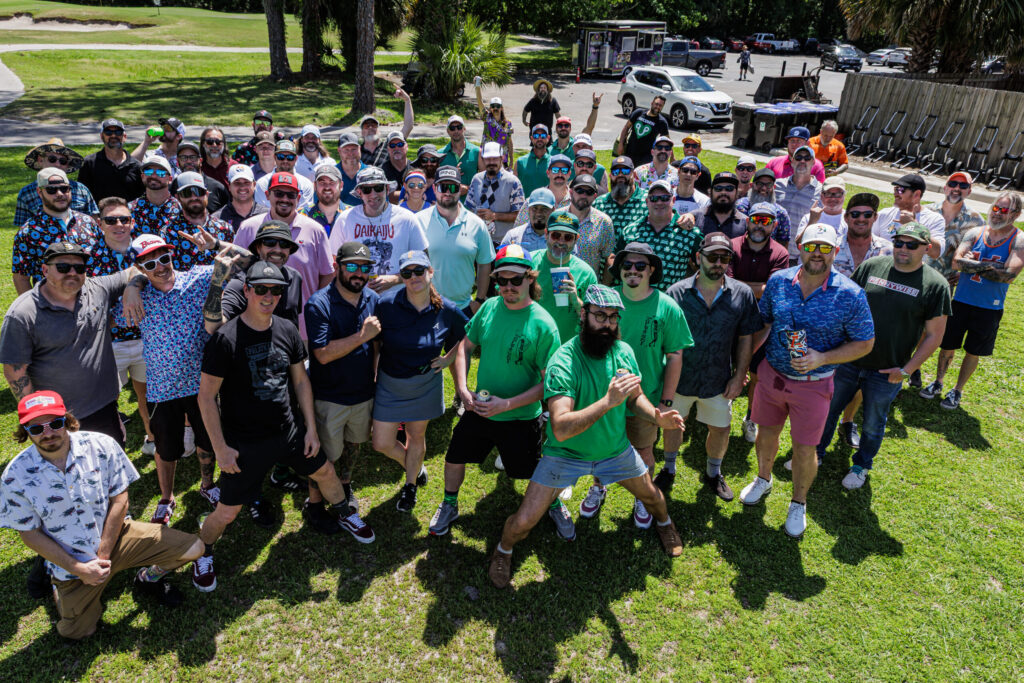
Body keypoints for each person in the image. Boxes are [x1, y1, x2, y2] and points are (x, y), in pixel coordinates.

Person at [487, 285, 685, 588]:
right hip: (565, 455)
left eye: (613, 318)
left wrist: (656, 416)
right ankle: (503, 549)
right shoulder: (562, 361)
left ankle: (665, 524)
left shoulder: (624, 352)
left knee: (653, 497)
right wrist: (607, 401)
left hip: (615, 451)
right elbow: (562, 428)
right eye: (600, 316)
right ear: (584, 314)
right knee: (524, 522)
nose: (606, 324)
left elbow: (634, 398)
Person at [193, 260, 374, 591]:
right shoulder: (225, 339)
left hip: (289, 433)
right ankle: (201, 551)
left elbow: (302, 382)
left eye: (275, 290)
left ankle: (344, 512)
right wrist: (220, 448)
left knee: (326, 473)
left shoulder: (288, 329)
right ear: (246, 290)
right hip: (244, 443)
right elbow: (206, 398)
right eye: (260, 289)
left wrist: (311, 430)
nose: (268, 296)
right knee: (227, 513)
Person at [0, 390, 204, 639]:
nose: (48, 433)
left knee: (194, 548)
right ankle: (57, 584)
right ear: (25, 432)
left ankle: (147, 578)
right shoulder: (14, 476)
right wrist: (80, 569)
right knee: (78, 633)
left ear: (66, 420)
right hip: (72, 562)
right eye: (36, 429)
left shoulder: (101, 445)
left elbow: (120, 499)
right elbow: (29, 533)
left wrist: (103, 555)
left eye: (55, 423)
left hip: (118, 538)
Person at [740, 223, 875, 539]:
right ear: (800, 247)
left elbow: (865, 342)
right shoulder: (779, 282)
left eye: (825, 248)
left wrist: (823, 358)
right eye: (812, 246)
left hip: (814, 383)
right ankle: (763, 478)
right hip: (773, 376)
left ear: (835, 252)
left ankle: (798, 502)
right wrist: (743, 365)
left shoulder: (851, 294)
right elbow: (764, 322)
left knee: (804, 448)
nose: (817, 253)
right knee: (766, 433)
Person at [113, 234, 250, 524]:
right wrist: (132, 286)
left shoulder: (199, 277)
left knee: (207, 441)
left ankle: (208, 485)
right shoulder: (138, 296)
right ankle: (166, 497)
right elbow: (114, 318)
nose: (161, 267)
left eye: (164, 258)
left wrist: (216, 251)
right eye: (150, 263)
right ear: (139, 267)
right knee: (165, 448)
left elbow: (249, 261)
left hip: (203, 386)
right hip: (162, 389)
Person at [431, 244, 561, 536]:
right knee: (454, 456)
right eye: (502, 280)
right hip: (480, 408)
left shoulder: (544, 324)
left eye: (516, 279)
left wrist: (508, 405)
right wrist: (462, 388)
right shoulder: (489, 307)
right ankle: (450, 504)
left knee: (532, 473)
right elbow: (465, 345)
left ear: (531, 278)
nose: (508, 287)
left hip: (521, 417)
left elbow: (549, 384)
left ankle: (553, 506)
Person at [816, 223, 950, 490]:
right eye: (899, 242)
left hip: (887, 369)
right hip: (848, 359)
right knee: (827, 410)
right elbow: (846, 303)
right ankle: (815, 454)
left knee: (874, 422)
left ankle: (861, 465)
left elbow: (935, 335)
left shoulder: (936, 285)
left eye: (912, 245)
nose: (903, 248)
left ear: (926, 248)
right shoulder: (873, 266)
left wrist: (907, 370)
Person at [585, 243, 691, 524]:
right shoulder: (605, 302)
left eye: (640, 265)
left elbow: (675, 355)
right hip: (606, 395)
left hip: (647, 397)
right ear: (618, 270)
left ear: (651, 270)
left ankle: (643, 496)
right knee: (601, 446)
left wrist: (665, 402)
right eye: (627, 265)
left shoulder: (667, 305)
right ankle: (598, 486)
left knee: (644, 451)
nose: (633, 270)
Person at [660, 233, 761, 498]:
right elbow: (665, 340)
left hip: (718, 379)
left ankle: (713, 473)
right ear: (698, 258)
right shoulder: (676, 293)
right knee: (672, 424)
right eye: (712, 257)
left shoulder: (742, 293)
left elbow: (745, 337)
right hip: (680, 379)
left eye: (724, 257)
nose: (718, 263)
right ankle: (669, 469)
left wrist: (740, 375)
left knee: (720, 429)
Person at [371, 251, 468, 512]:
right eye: (407, 273)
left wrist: (448, 358)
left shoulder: (447, 309)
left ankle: (410, 486)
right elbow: (375, 341)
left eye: (419, 271)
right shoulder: (386, 304)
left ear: (430, 272)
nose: (413, 277)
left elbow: (469, 335)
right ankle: (413, 464)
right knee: (381, 442)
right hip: (390, 382)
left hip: (425, 383)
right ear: (401, 276)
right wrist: (374, 369)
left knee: (416, 437)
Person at [303, 242, 381, 533]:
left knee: (353, 445)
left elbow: (376, 346)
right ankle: (314, 505)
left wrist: (374, 377)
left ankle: (345, 487)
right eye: (352, 266)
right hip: (330, 397)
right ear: (337, 267)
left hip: (362, 393)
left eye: (365, 268)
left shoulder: (372, 299)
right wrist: (362, 336)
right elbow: (321, 353)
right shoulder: (319, 303)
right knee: (323, 456)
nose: (358, 273)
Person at [920, 192, 1023, 409]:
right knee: (947, 345)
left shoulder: (1019, 240)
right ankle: (938, 382)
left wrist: (975, 265)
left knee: (973, 351)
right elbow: (957, 263)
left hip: (989, 307)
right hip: (961, 301)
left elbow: (1010, 275)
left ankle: (957, 390)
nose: (996, 213)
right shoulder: (976, 232)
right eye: (995, 208)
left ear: (1016, 214)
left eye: (1003, 210)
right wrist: (991, 267)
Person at [90, 198, 156, 455]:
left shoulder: (145, 253)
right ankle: (109, 450)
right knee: (105, 401)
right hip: (107, 342)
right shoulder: (88, 258)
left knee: (147, 394)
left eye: (124, 219)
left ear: (132, 222)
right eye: (111, 220)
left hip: (145, 338)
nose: (119, 224)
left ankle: (152, 438)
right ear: (100, 223)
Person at [235, 172, 335, 336]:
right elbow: (236, 270)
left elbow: (327, 275)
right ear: (267, 195)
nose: (285, 199)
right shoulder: (249, 227)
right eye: (279, 193)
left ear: (299, 197)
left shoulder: (315, 230)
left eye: (291, 194)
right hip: (255, 325)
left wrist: (316, 310)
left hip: (302, 327)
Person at [726, 205, 791, 443]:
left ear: (774, 225)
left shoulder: (780, 253)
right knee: (725, 366)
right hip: (730, 319)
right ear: (747, 221)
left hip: (761, 324)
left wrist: (741, 286)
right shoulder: (732, 246)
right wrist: (758, 288)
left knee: (755, 374)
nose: (759, 225)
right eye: (755, 219)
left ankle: (750, 418)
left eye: (766, 221)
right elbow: (725, 283)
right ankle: (722, 406)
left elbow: (771, 290)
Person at [329, 166, 429, 289]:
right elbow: (333, 263)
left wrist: (396, 279)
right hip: (357, 300)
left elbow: (424, 263)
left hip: (397, 301)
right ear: (359, 193)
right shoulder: (345, 219)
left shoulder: (406, 219)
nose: (373, 194)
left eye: (378, 188)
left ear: (387, 189)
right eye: (366, 190)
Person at [417, 165, 495, 315]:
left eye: (453, 187)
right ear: (434, 189)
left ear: (460, 190)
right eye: (443, 187)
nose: (447, 192)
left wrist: (478, 300)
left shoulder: (477, 224)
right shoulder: (419, 221)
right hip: (427, 306)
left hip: (464, 307)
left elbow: (484, 264)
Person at [12, 167, 100, 294]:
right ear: (39, 192)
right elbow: (21, 278)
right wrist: (34, 310)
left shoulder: (88, 222)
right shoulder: (28, 232)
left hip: (91, 303)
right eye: (51, 190)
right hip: (51, 306)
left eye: (64, 188)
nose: (59, 194)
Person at [618, 179, 702, 289]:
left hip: (671, 301)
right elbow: (615, 259)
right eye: (654, 199)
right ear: (647, 202)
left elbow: (706, 263)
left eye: (665, 198)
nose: (659, 202)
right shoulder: (630, 231)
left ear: (673, 200)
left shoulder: (689, 233)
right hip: (634, 299)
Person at [531, 211, 598, 343]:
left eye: (568, 237)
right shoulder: (530, 263)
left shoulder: (586, 273)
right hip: (533, 343)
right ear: (546, 234)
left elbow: (594, 319)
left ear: (576, 239)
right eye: (556, 235)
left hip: (568, 347)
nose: (561, 242)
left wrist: (575, 298)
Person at [16, 138, 97, 227]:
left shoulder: (82, 189)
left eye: (63, 161)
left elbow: (95, 222)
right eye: (52, 159)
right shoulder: (26, 193)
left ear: (67, 165)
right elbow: (23, 228)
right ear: (40, 160)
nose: (58, 164)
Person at [163, 172, 235, 272]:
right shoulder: (167, 232)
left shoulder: (225, 228)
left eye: (198, 191)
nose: (193, 197)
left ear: (207, 194)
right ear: (177, 197)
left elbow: (238, 264)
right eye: (187, 193)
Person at [925, 172, 985, 290]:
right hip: (916, 277)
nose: (957, 188)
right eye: (953, 184)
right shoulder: (927, 211)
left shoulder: (976, 221)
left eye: (963, 186)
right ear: (945, 188)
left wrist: (963, 273)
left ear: (969, 191)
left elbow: (981, 253)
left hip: (944, 285)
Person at [873, 174, 946, 259]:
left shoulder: (934, 219)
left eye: (900, 190)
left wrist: (914, 224)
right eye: (895, 189)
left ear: (916, 194)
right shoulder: (884, 214)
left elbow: (936, 252)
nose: (895, 194)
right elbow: (868, 242)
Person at [78, 119, 144, 202]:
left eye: (118, 132)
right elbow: (82, 194)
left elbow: (141, 196)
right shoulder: (89, 163)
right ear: (102, 136)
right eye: (108, 132)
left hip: (129, 213)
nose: (113, 135)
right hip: (99, 214)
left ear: (124, 137)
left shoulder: (136, 166)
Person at [775, 147, 823, 260]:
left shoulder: (821, 192)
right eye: (798, 157)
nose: (802, 161)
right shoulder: (777, 186)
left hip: (800, 257)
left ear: (813, 162)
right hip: (774, 253)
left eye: (807, 158)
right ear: (792, 161)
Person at [565, 174, 616, 278]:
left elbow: (609, 258)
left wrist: (603, 287)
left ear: (595, 196)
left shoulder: (604, 222)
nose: (584, 195)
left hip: (588, 286)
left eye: (589, 192)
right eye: (579, 190)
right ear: (571, 192)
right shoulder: (557, 217)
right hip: (558, 282)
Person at [510, 154, 572, 230]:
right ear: (548, 173)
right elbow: (518, 230)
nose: (559, 174)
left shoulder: (575, 202)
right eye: (555, 170)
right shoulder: (532, 201)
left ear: (569, 174)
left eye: (564, 170)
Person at [593, 156, 649, 237]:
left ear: (634, 174)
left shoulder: (648, 200)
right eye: (615, 172)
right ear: (610, 175)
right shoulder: (599, 203)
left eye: (625, 171)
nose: (620, 175)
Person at [735, 167, 791, 247]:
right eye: (760, 184)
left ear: (774, 187)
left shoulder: (781, 213)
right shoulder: (740, 207)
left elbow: (783, 243)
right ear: (751, 185)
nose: (764, 188)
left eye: (769, 185)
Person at [254, 140, 316, 211]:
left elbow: (304, 212)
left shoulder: (306, 184)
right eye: (281, 157)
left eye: (290, 157)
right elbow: (262, 211)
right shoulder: (262, 183)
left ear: (296, 159)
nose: (285, 161)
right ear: (274, 157)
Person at [358, 91, 414, 167]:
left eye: (374, 125)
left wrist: (407, 100)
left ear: (378, 130)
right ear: (362, 132)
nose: (370, 128)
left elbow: (408, 126)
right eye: (367, 126)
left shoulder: (390, 145)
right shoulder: (356, 151)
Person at [130, 155, 182, 236]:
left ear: (170, 179)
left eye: (160, 173)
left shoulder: (181, 209)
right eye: (148, 172)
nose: (153, 176)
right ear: (142, 176)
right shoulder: (130, 209)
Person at [174, 141, 230, 214]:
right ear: (178, 162)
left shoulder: (217, 187)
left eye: (193, 157)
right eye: (183, 158)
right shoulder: (172, 187)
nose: (188, 161)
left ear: (200, 161)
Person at [616, 95, 669, 166]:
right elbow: (626, 127)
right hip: (630, 152)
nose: (658, 107)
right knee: (626, 173)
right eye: (656, 104)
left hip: (646, 157)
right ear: (652, 103)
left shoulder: (662, 122)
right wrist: (621, 144)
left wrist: (671, 157)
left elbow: (667, 140)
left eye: (660, 105)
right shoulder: (638, 113)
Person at [212, 164, 265, 233]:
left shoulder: (266, 215)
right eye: (237, 183)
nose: (242, 187)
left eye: (246, 182)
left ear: (254, 185)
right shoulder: (216, 219)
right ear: (229, 186)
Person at [693, 172, 746, 239]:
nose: (723, 192)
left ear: (736, 192)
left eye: (729, 188)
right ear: (711, 192)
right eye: (718, 188)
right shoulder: (695, 217)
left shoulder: (745, 223)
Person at [500, 187, 555, 253]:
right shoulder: (513, 237)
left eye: (544, 209)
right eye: (534, 208)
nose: (538, 213)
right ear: (528, 209)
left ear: (553, 210)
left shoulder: (562, 238)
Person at [302, 165, 347, 238]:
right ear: (315, 186)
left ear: (341, 185)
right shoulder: (303, 215)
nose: (327, 187)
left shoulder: (352, 214)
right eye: (322, 183)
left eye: (332, 182)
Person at [439, 115, 482, 190]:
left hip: (472, 200)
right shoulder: (440, 154)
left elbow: (485, 180)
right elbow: (436, 182)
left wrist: (467, 189)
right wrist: (451, 175)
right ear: (448, 131)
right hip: (448, 200)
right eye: (452, 128)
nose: (456, 131)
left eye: (459, 127)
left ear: (464, 129)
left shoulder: (477, 151)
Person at [476, 91, 515, 168]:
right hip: (486, 158)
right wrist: (477, 85)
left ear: (501, 108)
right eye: (493, 106)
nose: (495, 108)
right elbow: (480, 102)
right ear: (490, 108)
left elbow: (510, 142)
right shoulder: (486, 118)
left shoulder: (508, 124)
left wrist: (511, 160)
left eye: (497, 106)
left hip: (502, 160)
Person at [515, 124, 554, 197]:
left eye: (543, 136)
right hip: (526, 206)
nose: (539, 139)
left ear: (548, 138)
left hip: (547, 206)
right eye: (536, 136)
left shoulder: (554, 162)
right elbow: (513, 188)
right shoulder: (520, 162)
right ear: (532, 138)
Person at [336, 132, 368, 207]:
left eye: (354, 149)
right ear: (339, 151)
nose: (350, 154)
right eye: (346, 150)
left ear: (359, 148)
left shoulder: (371, 174)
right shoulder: (331, 175)